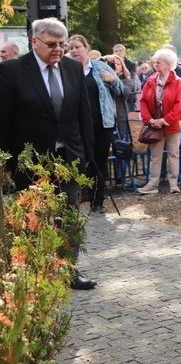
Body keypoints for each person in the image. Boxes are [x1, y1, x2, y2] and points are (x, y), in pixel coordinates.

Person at [0, 17, 97, 290]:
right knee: (33, 219)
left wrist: (87, 153)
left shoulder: (73, 68)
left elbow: (83, 115)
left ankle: (69, 271)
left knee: (68, 217)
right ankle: (35, 273)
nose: (58, 50)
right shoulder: (12, 71)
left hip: (68, 157)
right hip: (29, 161)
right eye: (52, 44)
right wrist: (6, 161)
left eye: (62, 45)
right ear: (34, 42)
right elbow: (3, 119)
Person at [68, 35, 123, 214]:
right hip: (78, 125)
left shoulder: (100, 67)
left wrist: (112, 80)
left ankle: (97, 201)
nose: (74, 51)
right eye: (71, 48)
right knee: (80, 161)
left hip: (102, 123)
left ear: (86, 48)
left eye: (77, 47)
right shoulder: (66, 69)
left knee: (99, 162)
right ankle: (79, 197)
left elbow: (121, 89)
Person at [136, 48, 181, 195]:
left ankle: (173, 185)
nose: (155, 63)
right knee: (155, 155)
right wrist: (150, 120)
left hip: (172, 124)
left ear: (169, 64)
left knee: (173, 154)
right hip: (154, 124)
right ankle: (152, 185)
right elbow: (143, 101)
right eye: (155, 61)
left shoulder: (178, 82)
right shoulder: (151, 80)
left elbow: (179, 105)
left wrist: (165, 120)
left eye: (159, 61)